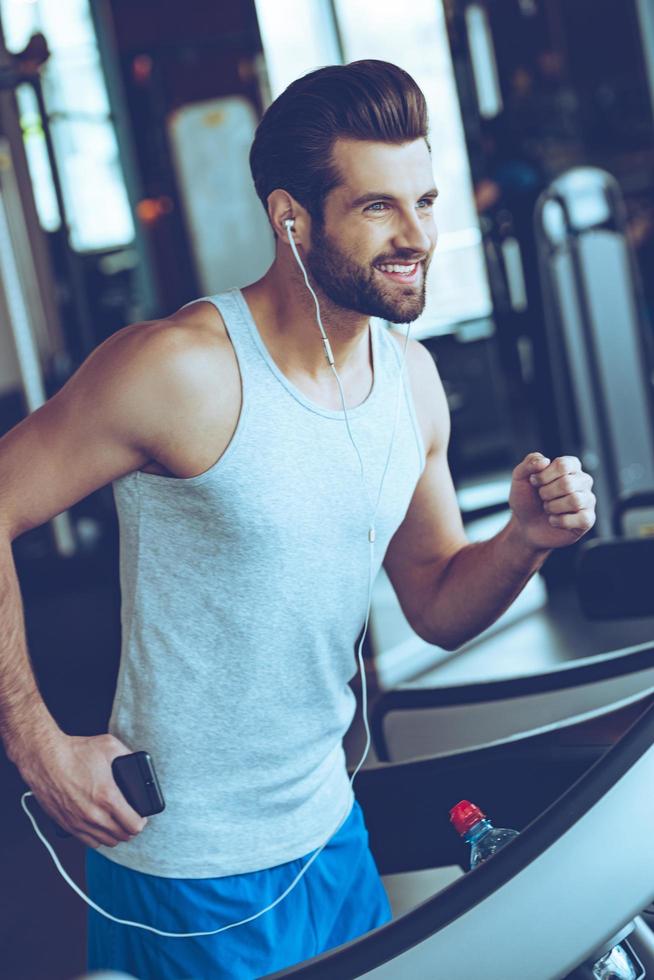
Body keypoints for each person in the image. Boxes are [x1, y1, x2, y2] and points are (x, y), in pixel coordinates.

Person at [0, 60, 596, 979]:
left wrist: (523, 543)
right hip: (190, 874)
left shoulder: (412, 382)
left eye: (425, 201)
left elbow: (435, 602)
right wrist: (39, 747)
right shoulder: (178, 371)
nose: (416, 237)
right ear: (292, 218)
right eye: (377, 208)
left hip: (333, 838)